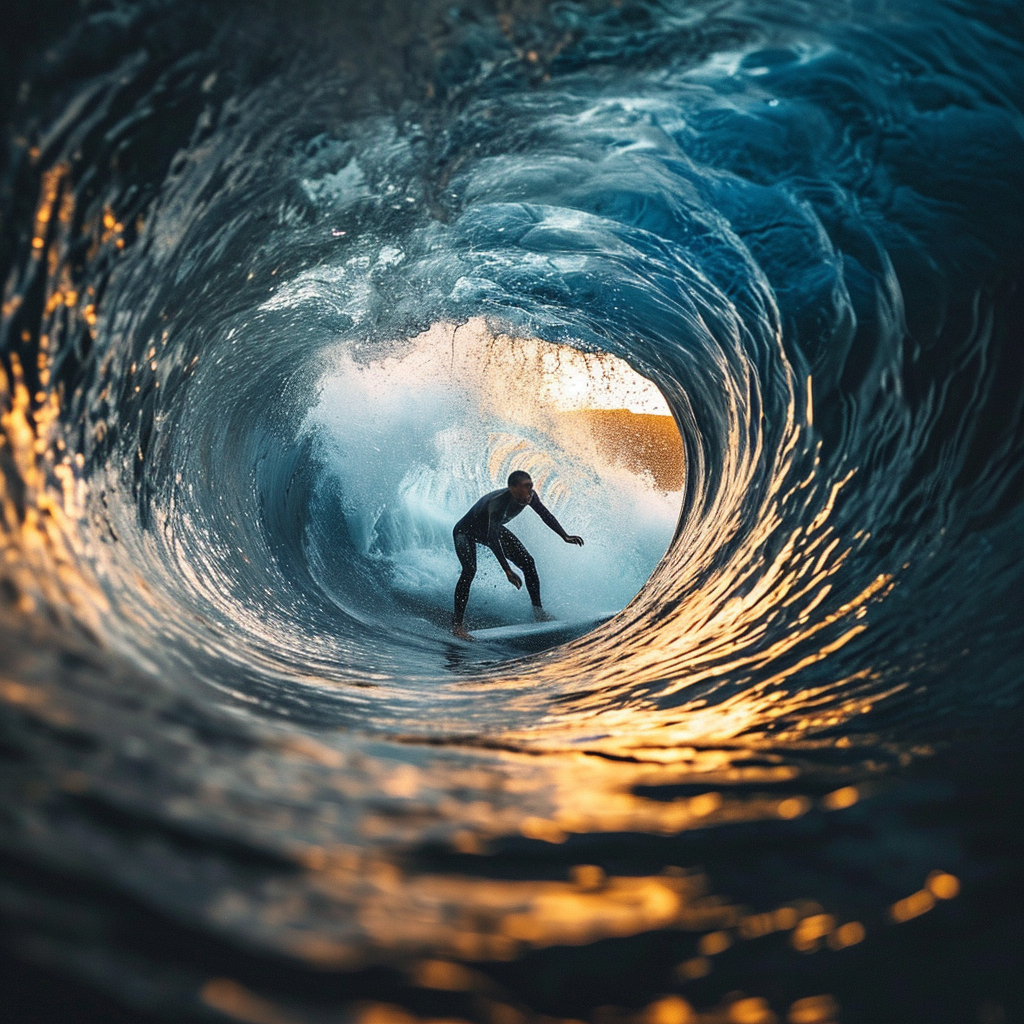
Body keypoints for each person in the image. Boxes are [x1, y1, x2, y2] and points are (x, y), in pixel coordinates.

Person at [451, 470, 584, 639]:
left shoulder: (530, 497)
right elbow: (492, 538)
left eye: (531, 485)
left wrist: (564, 535)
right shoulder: (498, 503)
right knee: (469, 570)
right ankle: (457, 626)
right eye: (526, 486)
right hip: (465, 531)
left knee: (528, 562)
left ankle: (538, 613)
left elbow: (545, 515)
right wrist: (507, 569)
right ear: (513, 488)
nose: (530, 490)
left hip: (492, 530)